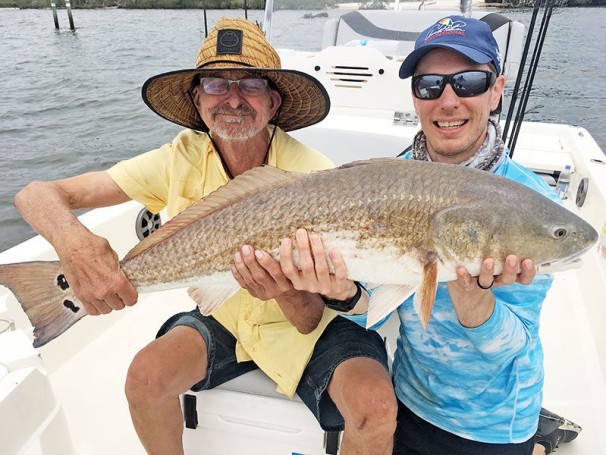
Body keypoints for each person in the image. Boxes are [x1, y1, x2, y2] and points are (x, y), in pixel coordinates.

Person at [13, 18, 397, 454]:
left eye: (250, 84)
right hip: (227, 312)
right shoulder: (176, 159)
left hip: (314, 325)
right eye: (216, 85)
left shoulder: (313, 175)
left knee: (375, 407)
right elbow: (36, 195)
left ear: (273, 102)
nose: (233, 99)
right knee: (145, 377)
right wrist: (76, 243)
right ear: (198, 101)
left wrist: (284, 292)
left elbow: (310, 318)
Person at [334, 15, 580, 455]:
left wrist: (474, 305)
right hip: (408, 397)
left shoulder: (530, 202)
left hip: (492, 424)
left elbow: (512, 348)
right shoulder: (390, 175)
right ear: (415, 97)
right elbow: (374, 304)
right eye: (430, 85)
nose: (448, 100)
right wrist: (338, 294)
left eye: (467, 82)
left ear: (496, 90)